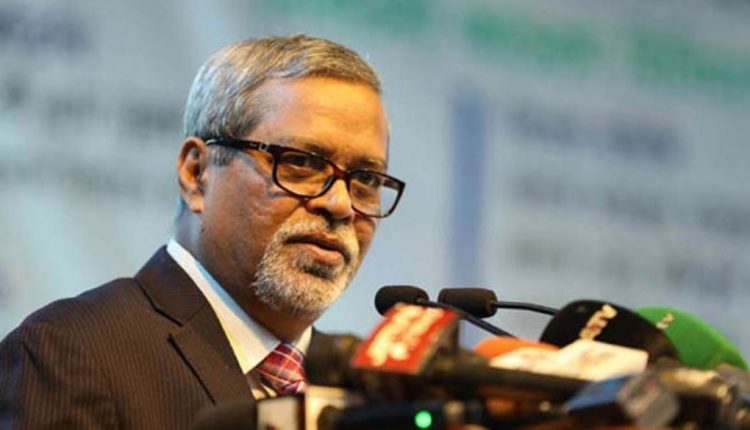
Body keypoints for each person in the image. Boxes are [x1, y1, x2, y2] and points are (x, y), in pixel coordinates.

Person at [0, 35, 404, 429]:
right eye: (301, 162)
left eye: (367, 179)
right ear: (197, 173)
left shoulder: (371, 390)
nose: (340, 204)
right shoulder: (71, 352)